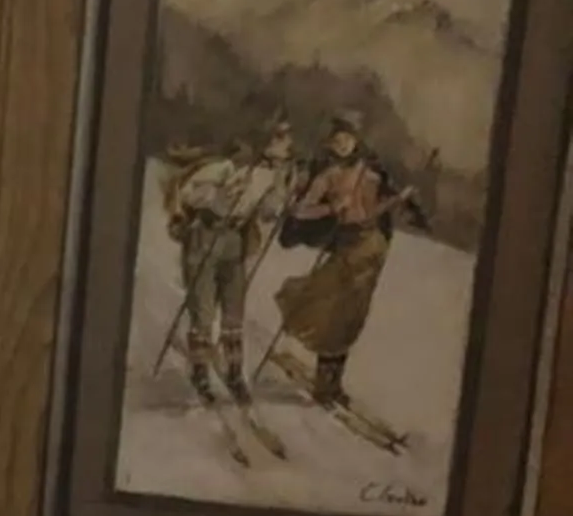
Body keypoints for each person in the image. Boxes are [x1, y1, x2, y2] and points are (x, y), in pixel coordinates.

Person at [273, 114, 423, 408]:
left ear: (356, 140)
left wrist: (400, 200)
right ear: (330, 144)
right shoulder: (327, 176)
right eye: (336, 140)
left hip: (373, 249)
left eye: (347, 139)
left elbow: (378, 210)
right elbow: (300, 211)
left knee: (353, 317)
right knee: (332, 312)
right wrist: (331, 208)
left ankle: (334, 383)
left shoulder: (373, 174)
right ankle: (323, 383)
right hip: (347, 247)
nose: (342, 145)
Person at [163, 116, 298, 404]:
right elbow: (188, 193)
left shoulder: (272, 174)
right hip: (205, 236)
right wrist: (218, 197)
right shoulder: (228, 166)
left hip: (235, 240)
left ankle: (235, 372)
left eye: (287, 139)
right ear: (267, 140)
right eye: (281, 139)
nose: (287, 145)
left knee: (233, 309)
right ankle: (200, 373)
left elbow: (267, 212)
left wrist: (281, 193)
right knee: (203, 308)